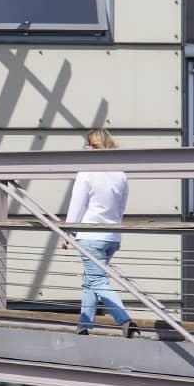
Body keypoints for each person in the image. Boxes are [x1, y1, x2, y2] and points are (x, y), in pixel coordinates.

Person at [64, 128, 138, 337]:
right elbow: (121, 207)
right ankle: (84, 325)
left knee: (97, 281)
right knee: (91, 280)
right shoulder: (120, 174)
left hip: (90, 236)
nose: (86, 149)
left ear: (94, 146)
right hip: (112, 236)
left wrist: (67, 233)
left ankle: (124, 320)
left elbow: (76, 204)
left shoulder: (87, 171)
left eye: (88, 145)